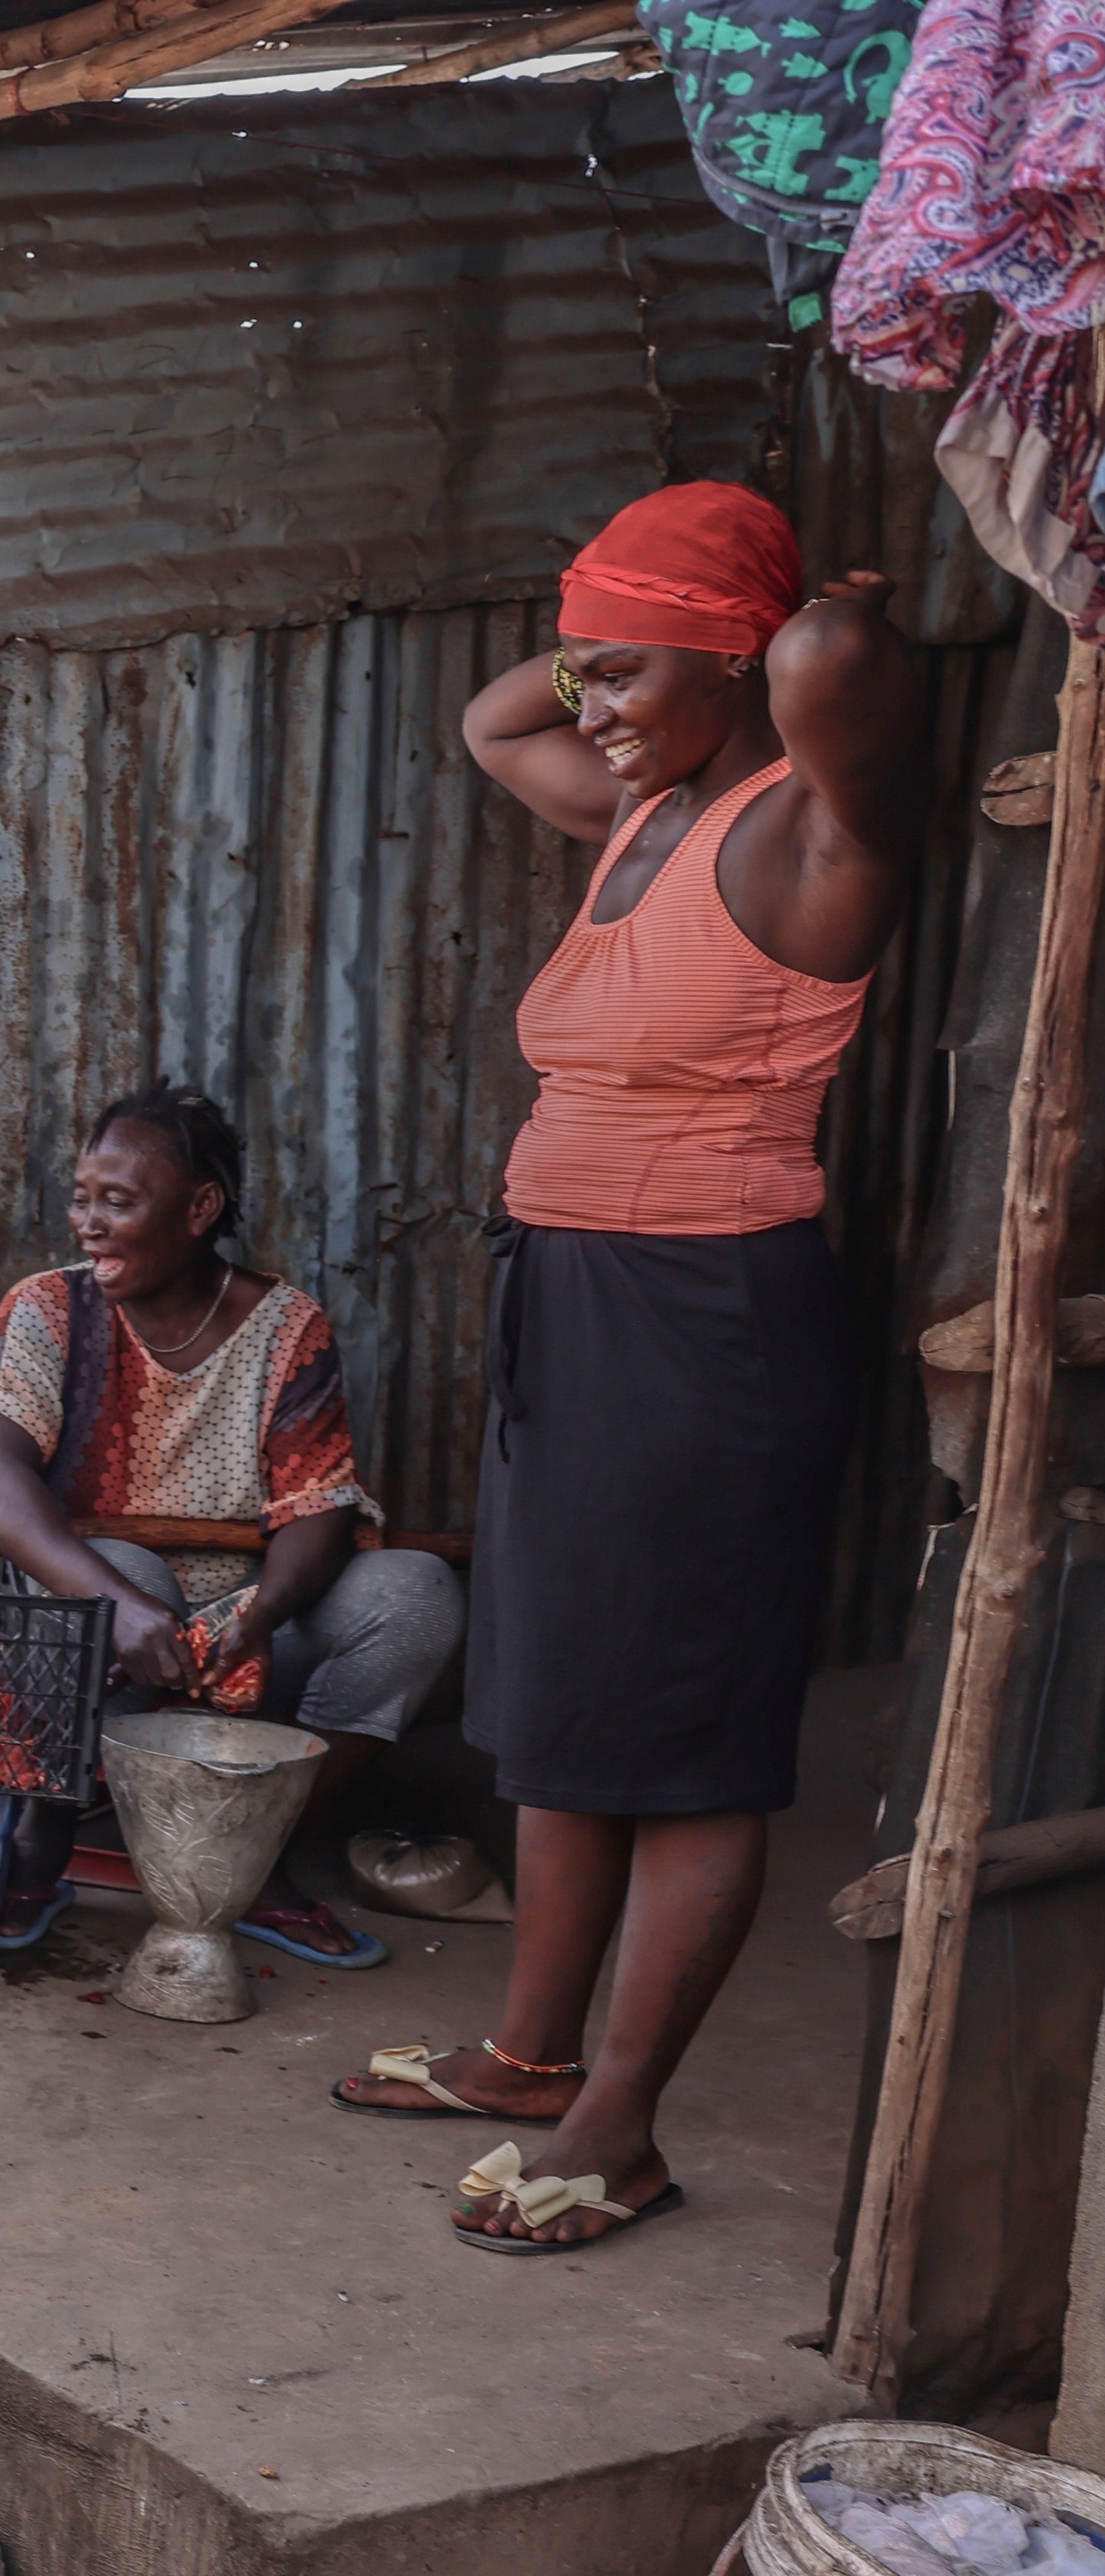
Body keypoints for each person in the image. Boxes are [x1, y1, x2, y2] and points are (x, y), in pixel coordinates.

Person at [328, 483, 922, 2252]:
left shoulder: (809, 837)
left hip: (708, 1328)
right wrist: (620, 656)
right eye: (583, 668)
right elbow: (491, 717)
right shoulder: (642, 810)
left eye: (620, 673)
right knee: (564, 1717)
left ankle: (619, 2120)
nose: (580, 706)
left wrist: (815, 605)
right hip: (574, 1305)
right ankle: (524, 2053)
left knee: (685, 1743)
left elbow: (825, 659)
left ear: (738, 661)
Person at [0, 1085, 465, 1961]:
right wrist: (118, 1604)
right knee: (122, 1572)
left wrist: (257, 1612)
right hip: (89, 1632)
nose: (89, 1221)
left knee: (414, 1593)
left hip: (240, 1650)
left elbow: (318, 1507)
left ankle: (245, 1846)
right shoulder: (48, 1308)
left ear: (199, 1208)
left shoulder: (284, 1326)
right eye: (83, 1196)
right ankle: (41, 1832)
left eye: (120, 1201)